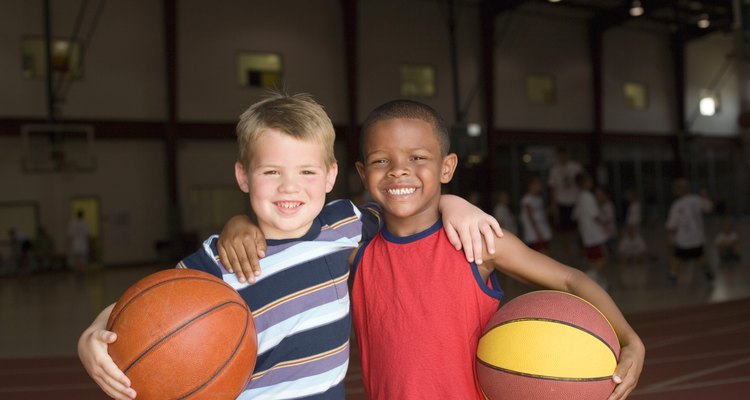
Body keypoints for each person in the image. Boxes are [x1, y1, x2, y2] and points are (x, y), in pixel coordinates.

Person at [78, 92, 501, 400]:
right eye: (272, 172)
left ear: (332, 177)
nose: (289, 188)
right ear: (244, 177)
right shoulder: (220, 257)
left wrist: (453, 201)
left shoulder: (345, 225)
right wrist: (94, 334)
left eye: (306, 172)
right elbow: (143, 308)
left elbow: (406, 201)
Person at [349, 100, 643, 399]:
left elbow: (571, 281)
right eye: (381, 161)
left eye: (417, 157)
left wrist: (630, 340)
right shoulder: (354, 249)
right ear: (362, 172)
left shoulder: (477, 241)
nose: (399, 171)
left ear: (446, 167)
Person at [665, 178, 713, 285]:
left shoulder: (677, 205)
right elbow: (709, 207)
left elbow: (672, 225)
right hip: (697, 237)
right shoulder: (697, 200)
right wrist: (705, 196)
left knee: (676, 257)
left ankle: (672, 276)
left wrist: (670, 237)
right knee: (700, 255)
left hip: (683, 239)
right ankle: (708, 273)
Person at [573, 173, 610, 283]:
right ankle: (590, 277)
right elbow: (594, 215)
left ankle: (595, 279)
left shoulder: (580, 196)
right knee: (602, 257)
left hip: (586, 233)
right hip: (593, 233)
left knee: (592, 258)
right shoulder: (588, 196)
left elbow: (576, 215)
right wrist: (605, 226)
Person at [547, 147, 583, 231]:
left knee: (576, 225)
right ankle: (566, 243)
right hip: (561, 201)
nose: (562, 158)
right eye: (560, 156)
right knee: (563, 227)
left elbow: (582, 181)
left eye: (564, 155)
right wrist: (553, 203)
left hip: (575, 200)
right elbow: (553, 187)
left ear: (567, 155)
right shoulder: (554, 170)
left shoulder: (575, 167)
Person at [519, 177, 553, 254]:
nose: (540, 186)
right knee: (541, 254)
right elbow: (530, 217)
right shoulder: (527, 199)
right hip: (534, 233)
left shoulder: (539, 198)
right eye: (537, 184)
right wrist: (537, 232)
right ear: (531, 186)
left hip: (542, 229)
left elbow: (541, 213)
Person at [595, 186, 618, 253]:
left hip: (609, 233)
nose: (598, 197)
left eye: (600, 195)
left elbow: (608, 220)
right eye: (596, 195)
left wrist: (598, 222)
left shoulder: (609, 205)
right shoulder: (599, 205)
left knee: (611, 250)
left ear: (607, 195)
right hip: (604, 233)